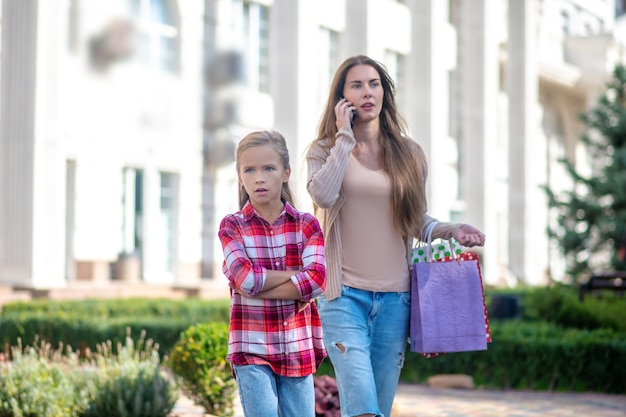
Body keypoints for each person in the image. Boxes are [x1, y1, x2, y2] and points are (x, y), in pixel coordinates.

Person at [306, 55, 486, 417]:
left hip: (396, 299)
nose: (367, 92)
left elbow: (414, 221)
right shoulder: (324, 150)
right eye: (356, 85)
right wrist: (344, 137)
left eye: (374, 84)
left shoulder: (410, 154)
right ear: (341, 98)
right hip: (342, 297)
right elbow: (322, 196)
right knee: (362, 404)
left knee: (379, 408)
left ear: (384, 92)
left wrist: (451, 229)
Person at [218, 130, 327, 417]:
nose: (259, 177)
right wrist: (295, 277)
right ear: (240, 176)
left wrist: (257, 284)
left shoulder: (307, 226)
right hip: (250, 345)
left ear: (286, 172)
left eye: (269, 168)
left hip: (297, 346)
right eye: (249, 169)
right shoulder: (232, 227)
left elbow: (316, 281)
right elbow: (246, 279)